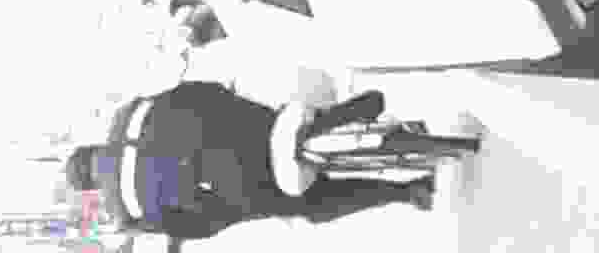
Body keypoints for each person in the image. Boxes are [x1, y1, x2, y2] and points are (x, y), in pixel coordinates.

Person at [68, 75, 443, 237]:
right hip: (239, 127)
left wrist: (235, 211)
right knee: (283, 123)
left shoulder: (126, 210)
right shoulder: (129, 116)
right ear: (95, 147)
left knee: (313, 204)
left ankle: (408, 191)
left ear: (92, 188)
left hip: (243, 189)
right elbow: (192, 93)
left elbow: (196, 228)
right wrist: (228, 101)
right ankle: (347, 116)